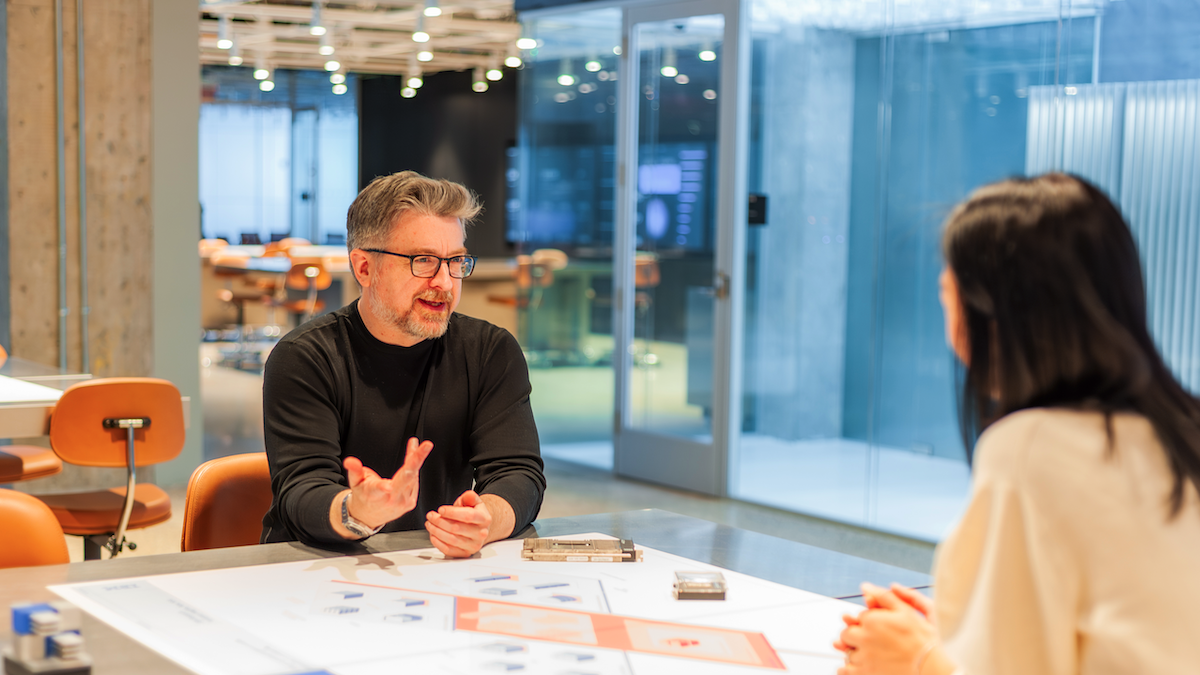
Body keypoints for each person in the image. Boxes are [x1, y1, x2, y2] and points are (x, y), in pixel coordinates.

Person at [835, 173, 1200, 674]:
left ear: (990, 313)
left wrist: (915, 659)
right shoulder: (1181, 430)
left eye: (948, 292)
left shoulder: (1032, 447)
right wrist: (964, 632)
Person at [260, 171, 546, 558]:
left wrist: (486, 518)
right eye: (424, 261)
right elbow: (301, 490)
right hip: (318, 570)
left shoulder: (490, 351)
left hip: (435, 566)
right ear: (364, 268)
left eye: (456, 261)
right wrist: (359, 510)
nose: (445, 282)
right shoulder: (305, 357)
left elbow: (518, 472)